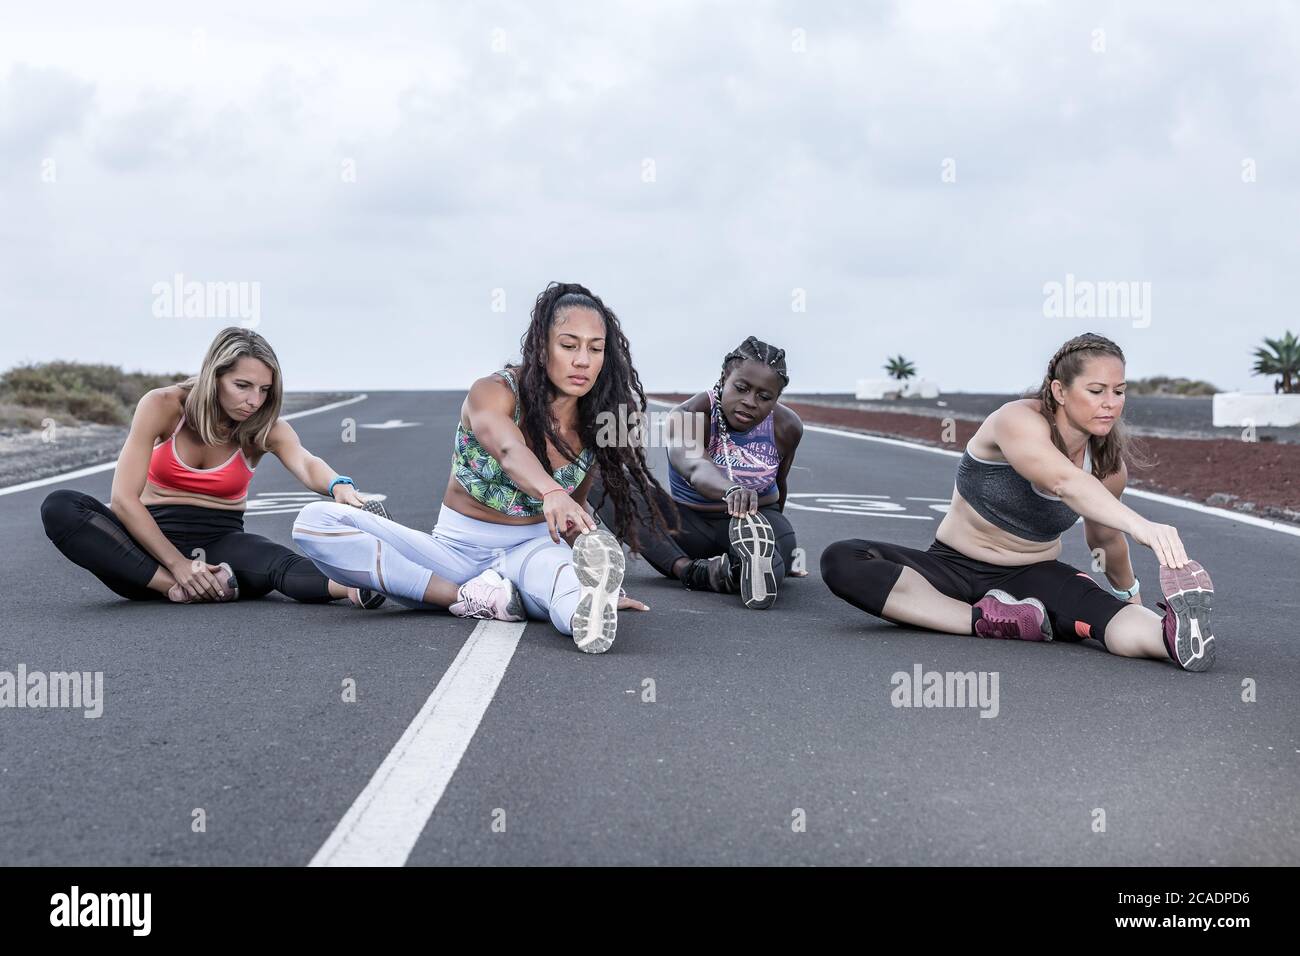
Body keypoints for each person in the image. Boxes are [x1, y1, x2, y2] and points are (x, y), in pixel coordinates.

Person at [291, 282, 670, 654]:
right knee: (315, 522)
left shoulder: (599, 420)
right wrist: (552, 491)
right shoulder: (493, 392)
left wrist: (593, 568)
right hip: (456, 552)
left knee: (561, 582)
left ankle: (584, 611)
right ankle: (467, 597)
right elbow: (508, 448)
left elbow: (575, 508)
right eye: (569, 345)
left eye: (595, 348)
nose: (583, 361)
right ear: (541, 347)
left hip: (535, 549)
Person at [820, 332, 1217, 671]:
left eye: (1119, 391)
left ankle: (1173, 638)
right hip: (950, 567)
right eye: (1096, 391)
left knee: (1113, 619)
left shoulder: (1108, 469)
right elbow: (1061, 480)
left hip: (1033, 577)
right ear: (1060, 391)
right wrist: (1143, 526)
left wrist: (1129, 597)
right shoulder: (1016, 420)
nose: (1110, 402)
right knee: (843, 559)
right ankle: (987, 620)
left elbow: (1105, 541)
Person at [41, 327, 380, 607]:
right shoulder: (162, 405)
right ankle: (173, 587)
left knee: (279, 564)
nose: (254, 401)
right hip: (144, 550)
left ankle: (361, 586)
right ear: (213, 376)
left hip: (221, 545)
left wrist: (338, 484)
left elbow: (306, 463)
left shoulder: (264, 427)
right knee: (60, 506)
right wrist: (179, 567)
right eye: (242, 386)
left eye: (264, 390)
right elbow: (124, 499)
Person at [592, 336, 804, 610]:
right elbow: (695, 467)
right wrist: (731, 490)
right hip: (689, 525)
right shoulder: (690, 415)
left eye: (764, 397)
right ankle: (691, 570)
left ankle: (750, 565)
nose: (750, 401)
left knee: (773, 563)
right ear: (724, 377)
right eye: (741, 388)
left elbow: (780, 486)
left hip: (755, 521)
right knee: (603, 476)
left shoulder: (787, 427)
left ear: (776, 399)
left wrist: (779, 542)